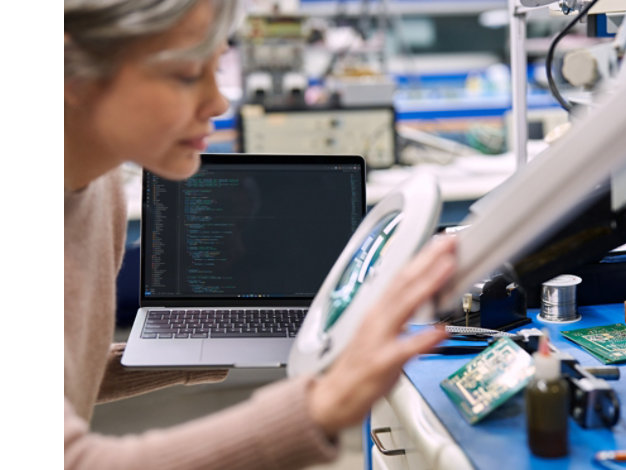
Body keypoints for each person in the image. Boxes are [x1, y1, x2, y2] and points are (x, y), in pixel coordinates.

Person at [64, 1, 456, 468]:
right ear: (70, 71)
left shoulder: (98, 187)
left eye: (217, 67)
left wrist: (203, 344)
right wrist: (320, 407)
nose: (219, 102)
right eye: (188, 74)